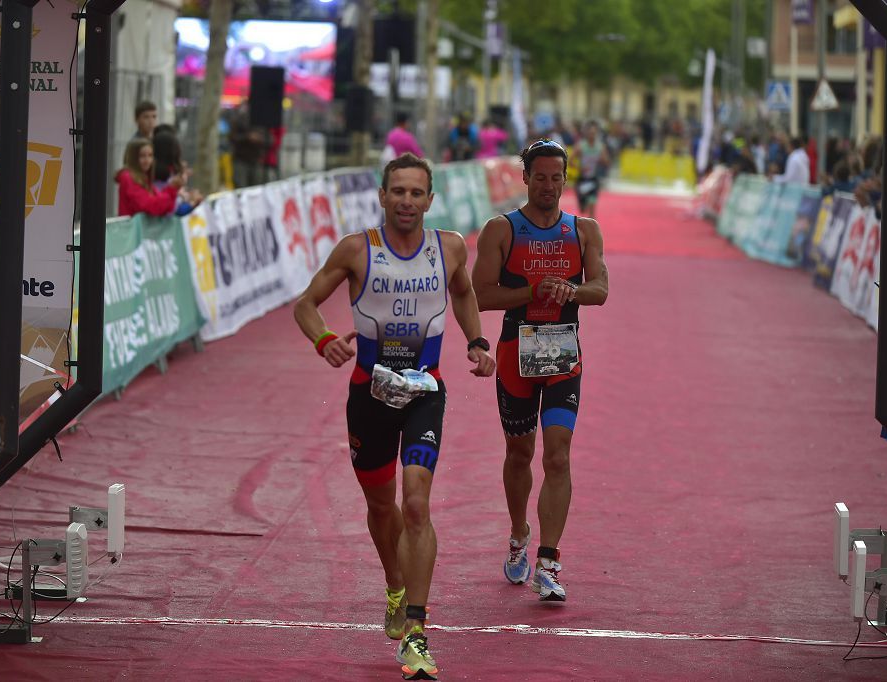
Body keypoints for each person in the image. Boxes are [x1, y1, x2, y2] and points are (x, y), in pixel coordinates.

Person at [293, 153, 495, 679]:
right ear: (382, 197)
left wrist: (476, 342)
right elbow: (305, 305)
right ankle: (395, 587)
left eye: (416, 193)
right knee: (382, 508)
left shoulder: (448, 247)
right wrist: (323, 341)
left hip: (425, 391)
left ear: (431, 200)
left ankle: (417, 631)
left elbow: (465, 292)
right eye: (398, 192)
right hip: (369, 396)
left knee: (416, 502)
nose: (407, 201)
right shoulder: (357, 250)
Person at [471, 139, 609, 602]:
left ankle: (549, 561)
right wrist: (531, 291)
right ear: (525, 178)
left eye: (557, 177)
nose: (549, 186)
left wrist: (570, 291)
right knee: (518, 454)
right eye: (540, 177)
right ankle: (518, 534)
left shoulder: (583, 230)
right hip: (516, 353)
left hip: (563, 353)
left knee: (558, 455)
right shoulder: (501, 229)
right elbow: (480, 296)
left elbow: (601, 290)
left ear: (566, 179)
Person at [115, 137, 184, 217]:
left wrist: (172, 189)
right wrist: (171, 189)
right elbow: (150, 206)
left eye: (150, 155)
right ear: (133, 157)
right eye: (142, 156)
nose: (147, 160)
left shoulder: (144, 177)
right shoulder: (128, 177)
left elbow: (165, 208)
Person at [152, 130, 203, 217]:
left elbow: (175, 208)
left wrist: (191, 203)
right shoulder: (158, 176)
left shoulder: (171, 173)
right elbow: (170, 209)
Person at [572, 121, 610, 216]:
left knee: (592, 206)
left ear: (597, 134)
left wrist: (603, 160)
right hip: (582, 179)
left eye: (594, 133)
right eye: (590, 133)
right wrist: (580, 168)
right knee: (583, 209)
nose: (592, 135)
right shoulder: (580, 146)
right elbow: (570, 161)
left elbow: (607, 162)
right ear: (586, 133)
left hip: (593, 179)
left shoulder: (600, 147)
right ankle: (583, 205)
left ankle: (592, 229)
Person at [228, 100, 266, 188]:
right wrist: (247, 137)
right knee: (240, 187)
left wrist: (259, 139)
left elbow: (270, 140)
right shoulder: (238, 120)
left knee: (255, 188)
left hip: (256, 160)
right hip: (240, 159)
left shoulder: (261, 121)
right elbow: (232, 138)